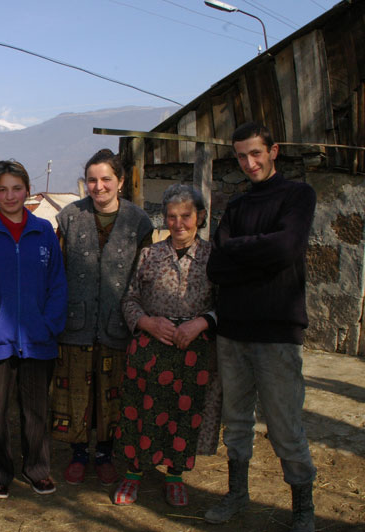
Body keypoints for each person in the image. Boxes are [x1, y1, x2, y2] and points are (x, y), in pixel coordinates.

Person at [204, 122, 317, 532]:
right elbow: (216, 266)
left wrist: (237, 250)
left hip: (277, 333)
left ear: (274, 151)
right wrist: (259, 254)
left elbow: (287, 248)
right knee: (235, 421)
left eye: (256, 153)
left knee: (285, 424)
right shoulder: (235, 206)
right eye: (241, 156)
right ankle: (237, 494)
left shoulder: (298, 195)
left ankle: (302, 506)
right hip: (233, 332)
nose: (249, 162)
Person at [0, 160, 67, 500]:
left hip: (38, 338)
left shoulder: (43, 232)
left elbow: (57, 284)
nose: (10, 196)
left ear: (27, 189)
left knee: (36, 410)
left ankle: (37, 469)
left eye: (17, 188)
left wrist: (48, 323)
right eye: (2, 189)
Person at [112, 184, 220, 507]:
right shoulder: (150, 254)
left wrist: (200, 323)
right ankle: (133, 474)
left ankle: (174, 475)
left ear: (199, 217)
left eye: (186, 216)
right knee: (139, 413)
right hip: (149, 350)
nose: (178, 223)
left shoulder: (214, 258)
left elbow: (226, 305)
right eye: (171, 216)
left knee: (183, 415)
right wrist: (147, 323)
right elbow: (130, 299)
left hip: (193, 353)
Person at [51, 148, 154, 486]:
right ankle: (79, 453)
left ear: (120, 182)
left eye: (106, 179)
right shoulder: (69, 217)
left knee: (112, 393)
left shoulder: (138, 223)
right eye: (92, 180)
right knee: (76, 392)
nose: (98, 187)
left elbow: (145, 277)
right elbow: (56, 272)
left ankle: (105, 454)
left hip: (118, 325)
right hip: (75, 326)